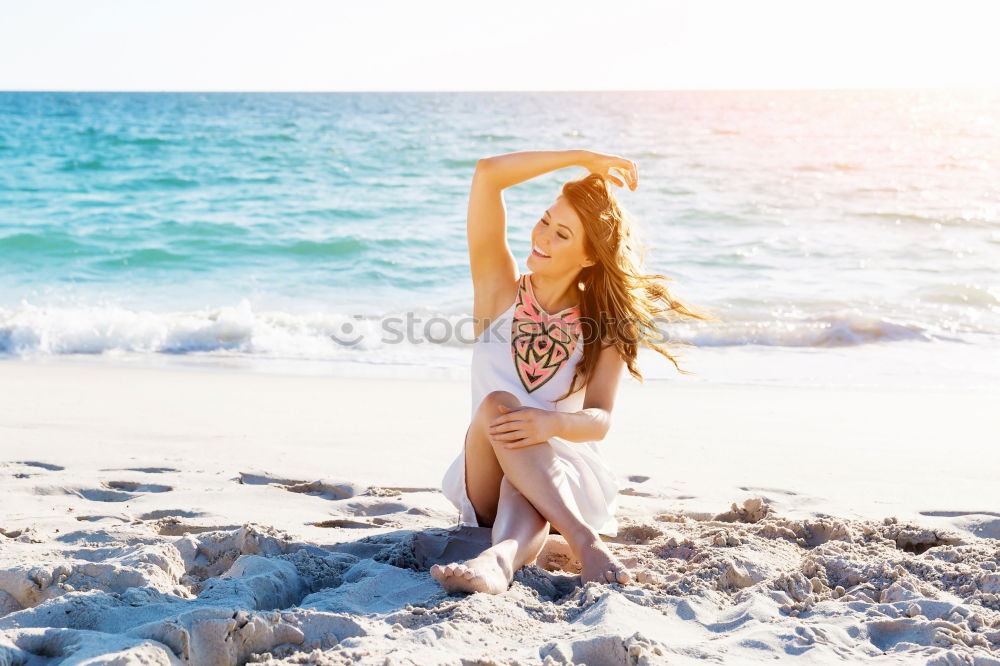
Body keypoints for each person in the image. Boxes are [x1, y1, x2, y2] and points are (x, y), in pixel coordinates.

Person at [432, 149, 714, 595]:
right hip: (485, 468)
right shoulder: (498, 290)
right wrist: (581, 159)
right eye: (545, 220)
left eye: (562, 234)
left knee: (522, 480)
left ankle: (498, 559)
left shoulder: (603, 324)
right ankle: (585, 542)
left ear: (587, 258)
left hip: (561, 476)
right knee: (499, 407)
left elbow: (600, 418)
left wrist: (552, 423)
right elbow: (487, 174)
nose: (542, 237)